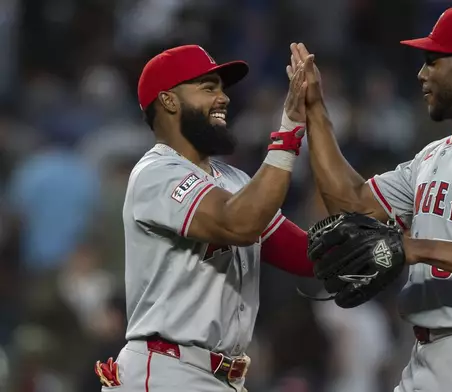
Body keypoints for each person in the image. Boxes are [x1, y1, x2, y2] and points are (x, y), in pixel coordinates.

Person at [290, 6, 452, 392]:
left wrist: (415, 247)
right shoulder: (431, 156)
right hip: (428, 357)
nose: (421, 74)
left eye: (433, 61)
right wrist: (315, 109)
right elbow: (352, 204)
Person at [93, 44, 316, 392]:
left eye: (222, 88)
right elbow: (238, 224)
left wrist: (391, 244)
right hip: (166, 370)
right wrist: (288, 133)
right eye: (208, 87)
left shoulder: (235, 181)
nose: (223, 98)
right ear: (169, 101)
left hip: (220, 377)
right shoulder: (156, 174)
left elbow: (301, 253)